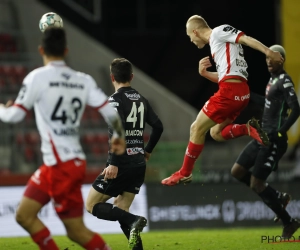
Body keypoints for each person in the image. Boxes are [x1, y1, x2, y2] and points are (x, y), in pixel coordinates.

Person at [0, 27, 126, 250]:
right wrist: (118, 135)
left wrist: (1, 108)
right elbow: (111, 112)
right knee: (24, 215)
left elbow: (14, 116)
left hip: (62, 167)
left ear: (41, 50)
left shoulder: (37, 77)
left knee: (76, 230)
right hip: (59, 164)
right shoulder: (83, 80)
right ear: (66, 50)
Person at [161, 15, 284, 186]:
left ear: (196, 32)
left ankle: (185, 173)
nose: (191, 40)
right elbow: (227, 75)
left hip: (229, 92)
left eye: (190, 36)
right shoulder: (218, 44)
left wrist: (269, 52)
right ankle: (247, 129)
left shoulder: (219, 32)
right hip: (241, 93)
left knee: (196, 128)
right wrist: (205, 74)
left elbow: (246, 39)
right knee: (215, 133)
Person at [85, 58, 164, 250]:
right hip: (138, 163)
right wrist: (147, 151)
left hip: (120, 162)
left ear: (112, 77)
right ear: (132, 77)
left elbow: (117, 130)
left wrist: (113, 162)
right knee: (121, 208)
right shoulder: (142, 100)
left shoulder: (114, 101)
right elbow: (158, 127)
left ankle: (135, 219)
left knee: (91, 204)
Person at [231, 45, 300, 238]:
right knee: (237, 171)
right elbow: (268, 103)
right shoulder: (273, 80)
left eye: (273, 58)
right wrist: (247, 95)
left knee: (257, 183)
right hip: (261, 135)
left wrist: (281, 132)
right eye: (267, 58)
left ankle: (289, 222)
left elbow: (296, 109)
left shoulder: (285, 81)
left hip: (273, 139)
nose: (269, 61)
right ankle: (278, 197)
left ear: (282, 60)